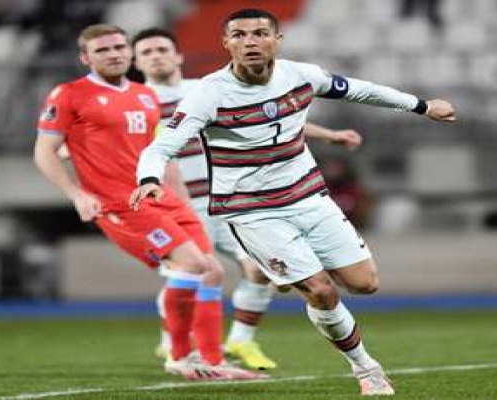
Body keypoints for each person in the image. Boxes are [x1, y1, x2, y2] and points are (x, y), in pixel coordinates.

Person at [131, 9, 455, 396]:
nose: (249, 41)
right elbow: (162, 145)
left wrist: (420, 105)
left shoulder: (301, 76)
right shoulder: (208, 94)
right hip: (251, 211)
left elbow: (361, 89)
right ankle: (366, 368)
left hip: (310, 199)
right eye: (239, 35)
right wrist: (149, 179)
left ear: (277, 40)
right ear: (226, 43)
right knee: (321, 290)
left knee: (364, 284)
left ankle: (291, 275)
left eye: (259, 33)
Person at [33, 23, 266, 381]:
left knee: (213, 271)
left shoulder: (144, 94)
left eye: (118, 47)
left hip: (165, 198)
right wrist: (77, 194)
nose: (113, 54)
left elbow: (162, 152)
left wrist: (182, 200)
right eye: (102, 50)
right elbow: (45, 151)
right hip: (120, 204)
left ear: (129, 51)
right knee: (190, 265)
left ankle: (213, 361)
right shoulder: (68, 94)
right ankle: (179, 356)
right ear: (85, 58)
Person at [131, 27, 365, 371]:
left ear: (178, 55)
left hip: (232, 201)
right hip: (179, 204)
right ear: (137, 62)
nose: (156, 56)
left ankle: (241, 340)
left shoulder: (206, 89)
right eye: (147, 52)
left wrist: (328, 135)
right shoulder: (135, 102)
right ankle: (173, 344)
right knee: (189, 273)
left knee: (260, 270)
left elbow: (274, 117)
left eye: (162, 49)